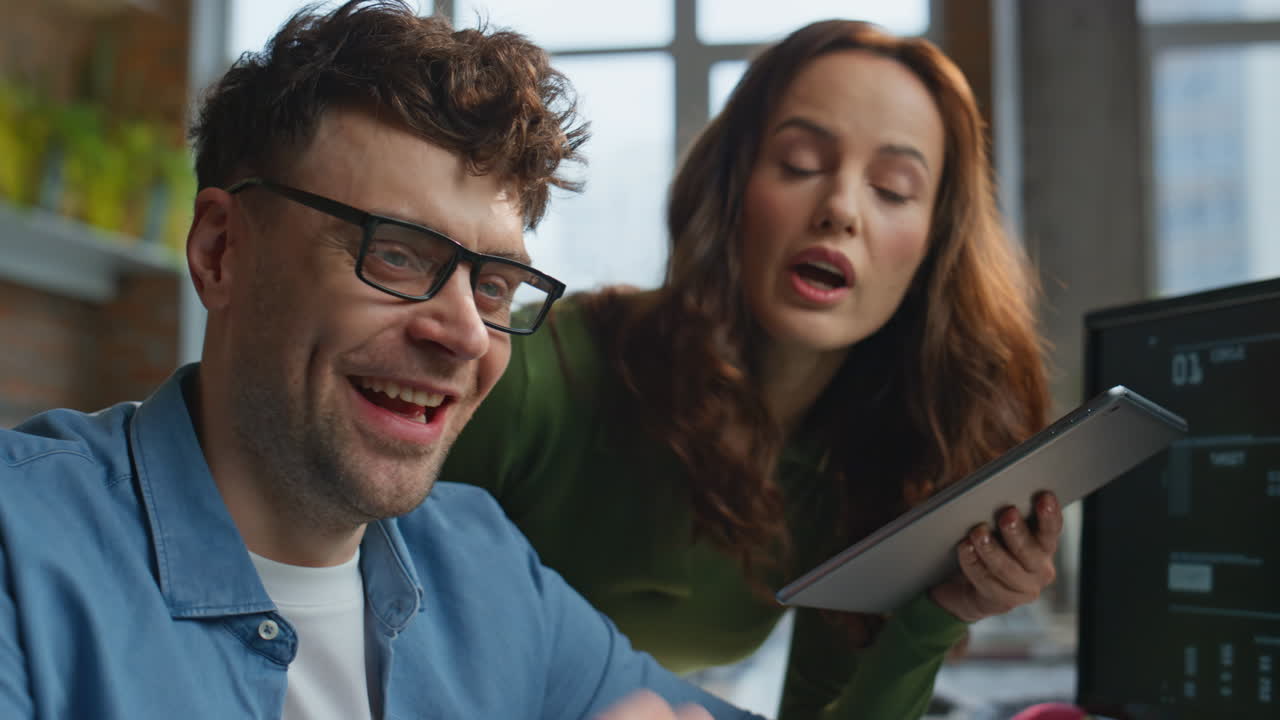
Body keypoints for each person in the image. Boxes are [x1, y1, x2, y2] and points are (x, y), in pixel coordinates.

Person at [0, 3, 769, 719]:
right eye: (396, 255)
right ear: (220, 250)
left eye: (495, 285)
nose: (465, 333)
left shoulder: (482, 565)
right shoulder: (22, 547)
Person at [441, 18, 1063, 720]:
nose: (840, 210)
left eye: (892, 188)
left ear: (933, 248)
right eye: (799, 164)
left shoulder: (865, 462)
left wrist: (937, 613)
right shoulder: (540, 379)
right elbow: (368, 635)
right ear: (732, 188)